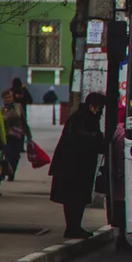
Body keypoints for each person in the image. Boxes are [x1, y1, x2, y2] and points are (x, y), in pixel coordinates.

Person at [49, 92, 107, 239]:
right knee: (74, 199)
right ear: (92, 106)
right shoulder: (81, 119)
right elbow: (81, 139)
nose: (100, 111)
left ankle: (74, 227)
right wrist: (98, 139)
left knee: (76, 199)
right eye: (99, 108)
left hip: (76, 167)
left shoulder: (84, 117)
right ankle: (72, 227)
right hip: (73, 168)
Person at [1, 89, 31, 181]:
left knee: (16, 155)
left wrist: (28, 135)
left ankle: (12, 171)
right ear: (3, 99)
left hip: (18, 135)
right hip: (7, 135)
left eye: (10, 97)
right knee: (8, 154)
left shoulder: (18, 107)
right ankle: (7, 171)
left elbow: (23, 121)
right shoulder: (1, 110)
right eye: (6, 98)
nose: (9, 99)